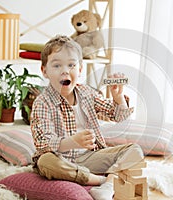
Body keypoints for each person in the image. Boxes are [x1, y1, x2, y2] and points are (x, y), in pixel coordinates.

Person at [30, 35, 144, 200]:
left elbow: (117, 116)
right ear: (44, 71)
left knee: (134, 150)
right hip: (60, 159)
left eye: (71, 65)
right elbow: (43, 143)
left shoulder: (87, 93)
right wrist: (72, 142)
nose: (65, 70)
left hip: (90, 157)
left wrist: (118, 98)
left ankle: (107, 186)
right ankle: (99, 180)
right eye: (56, 65)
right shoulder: (42, 102)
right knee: (44, 162)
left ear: (80, 70)